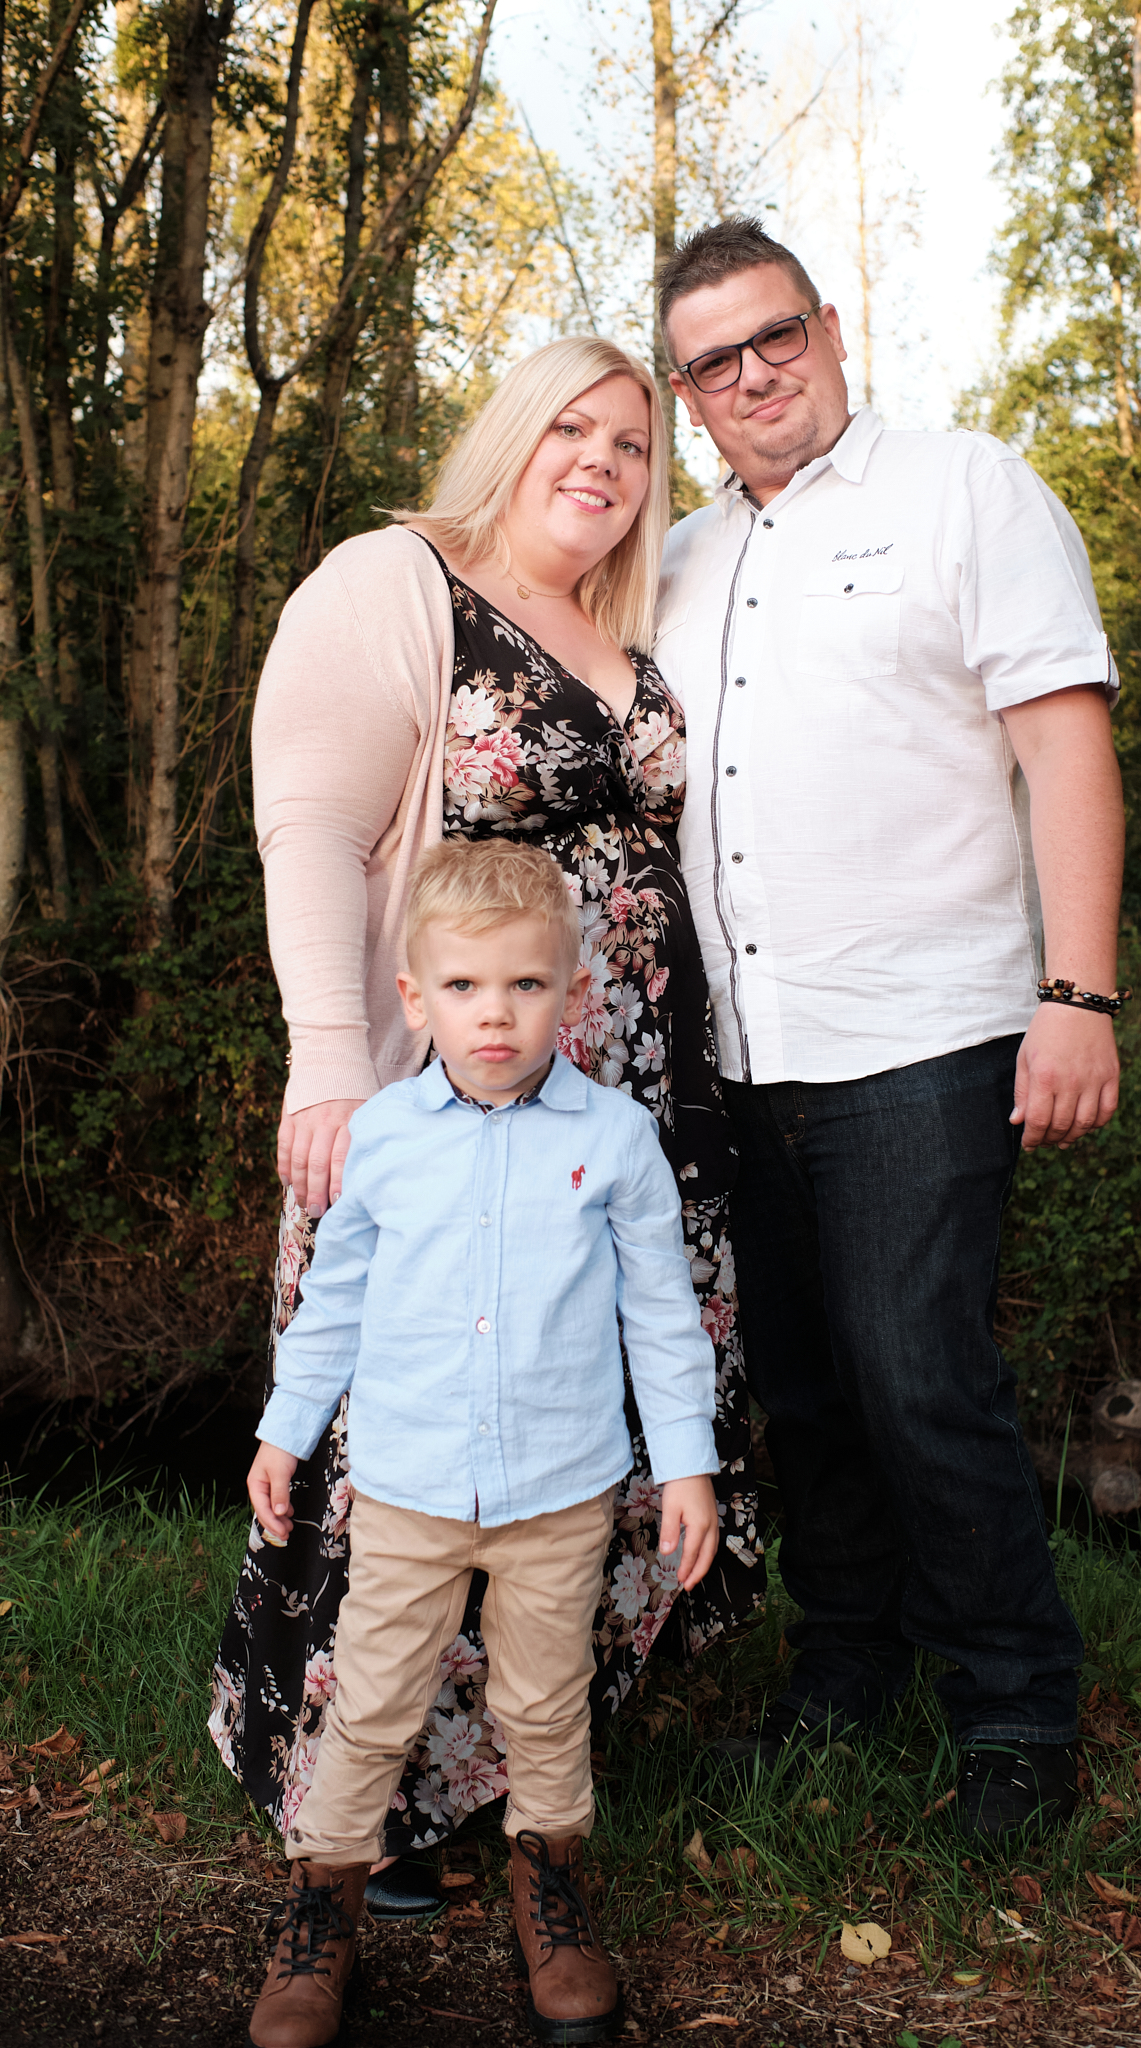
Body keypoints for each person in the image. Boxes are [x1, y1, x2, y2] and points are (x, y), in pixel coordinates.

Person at [210, 336, 763, 1914]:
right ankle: (371, 1799)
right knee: (411, 1417)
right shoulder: (399, 580)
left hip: (632, 1115)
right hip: (442, 1098)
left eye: (634, 443)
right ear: (513, 436)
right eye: (571, 428)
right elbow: (309, 820)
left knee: (568, 1426)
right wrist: (331, 1057)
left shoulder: (620, 633)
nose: (600, 459)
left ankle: (533, 1770)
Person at [650, 217, 1127, 1836]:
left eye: (774, 334)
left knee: (924, 1372)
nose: (753, 373)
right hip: (740, 1052)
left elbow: (1064, 743)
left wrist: (1079, 992)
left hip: (926, 1028)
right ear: (687, 394)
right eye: (714, 360)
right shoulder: (679, 560)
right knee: (802, 1388)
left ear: (832, 326)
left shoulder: (965, 488)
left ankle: (1014, 1705)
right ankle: (843, 1669)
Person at [245, 838, 719, 2048]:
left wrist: (688, 1461)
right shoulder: (387, 1138)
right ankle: (322, 1907)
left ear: (570, 992)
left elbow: (660, 1311)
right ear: (415, 997)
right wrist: (283, 1432)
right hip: (405, 1487)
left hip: (558, 1491)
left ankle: (549, 1890)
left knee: (547, 1705)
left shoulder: (612, 1141)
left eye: (523, 985)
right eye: (463, 987)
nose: (494, 1014)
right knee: (370, 1705)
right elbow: (334, 1302)